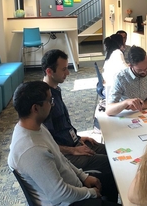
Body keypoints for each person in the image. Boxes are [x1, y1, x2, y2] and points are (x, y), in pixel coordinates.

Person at [8, 81, 120, 206]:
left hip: (73, 186)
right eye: (50, 101)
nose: (53, 104)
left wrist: (83, 176)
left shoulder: (37, 127)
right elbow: (59, 194)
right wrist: (90, 193)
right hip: (67, 202)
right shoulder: (32, 150)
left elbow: (61, 159)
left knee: (110, 179)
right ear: (35, 108)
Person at [41, 49, 118, 203]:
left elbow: (62, 126)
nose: (68, 73)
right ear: (49, 71)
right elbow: (48, 142)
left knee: (114, 151)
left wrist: (79, 137)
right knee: (112, 164)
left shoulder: (55, 90)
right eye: (63, 69)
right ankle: (105, 201)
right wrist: (74, 149)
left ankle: (108, 198)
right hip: (67, 152)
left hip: (74, 142)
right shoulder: (44, 100)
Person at [106, 46, 147, 116]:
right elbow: (109, 110)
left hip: (145, 113)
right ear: (130, 66)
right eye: (140, 70)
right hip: (126, 115)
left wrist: (140, 106)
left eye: (146, 68)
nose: (145, 72)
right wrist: (126, 102)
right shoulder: (121, 78)